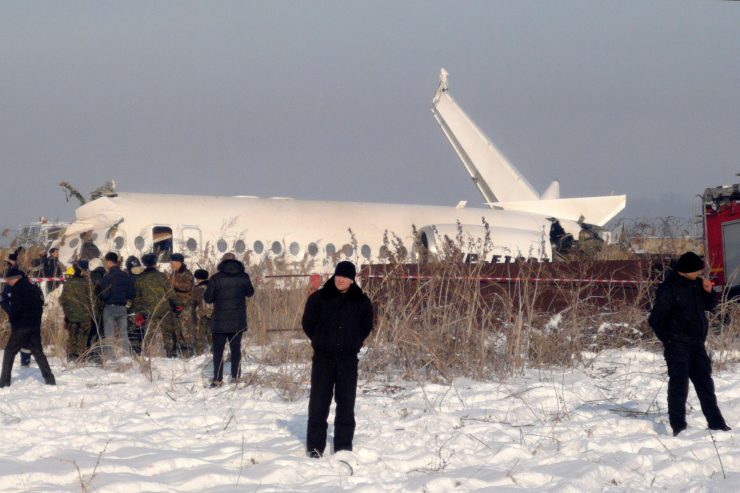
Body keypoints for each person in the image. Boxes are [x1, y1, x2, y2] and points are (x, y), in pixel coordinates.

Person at [649, 252, 731, 436]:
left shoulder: (696, 283)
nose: (700, 272)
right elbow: (655, 319)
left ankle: (717, 424)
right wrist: (669, 340)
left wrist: (709, 292)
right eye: (697, 270)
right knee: (679, 386)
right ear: (685, 271)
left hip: (697, 344)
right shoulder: (668, 288)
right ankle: (678, 426)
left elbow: (708, 306)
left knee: (705, 384)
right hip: (677, 346)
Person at [302, 261, 373, 457]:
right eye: (338, 276)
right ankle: (315, 447)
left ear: (352, 280)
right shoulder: (319, 298)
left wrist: (354, 341)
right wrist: (319, 339)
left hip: (348, 360)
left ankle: (343, 447)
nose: (341, 280)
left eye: (345, 277)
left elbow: (366, 325)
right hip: (323, 359)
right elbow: (308, 322)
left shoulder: (361, 301)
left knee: (346, 403)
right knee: (318, 403)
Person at [203, 255, 254, 387]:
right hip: (238, 321)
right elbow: (250, 293)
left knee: (218, 351)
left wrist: (208, 287)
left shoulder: (215, 278)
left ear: (222, 262)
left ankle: (217, 379)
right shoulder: (243, 277)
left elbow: (208, 299)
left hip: (219, 322)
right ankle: (236, 377)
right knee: (236, 350)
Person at [0, 267, 56, 387]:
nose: (8, 282)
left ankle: (4, 383)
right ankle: (50, 380)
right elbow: (41, 302)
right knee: (38, 353)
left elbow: (15, 310)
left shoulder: (17, 289)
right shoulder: (33, 286)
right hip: (34, 325)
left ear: (15, 278)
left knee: (9, 352)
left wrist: (7, 310)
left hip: (22, 325)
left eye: (9, 280)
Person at [131, 253, 174, 356]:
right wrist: (177, 304)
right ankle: (171, 353)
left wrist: (137, 311)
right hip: (164, 309)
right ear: (155, 263)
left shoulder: (140, 278)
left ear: (145, 264)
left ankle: (147, 354)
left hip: (148, 310)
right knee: (167, 332)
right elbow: (170, 292)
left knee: (149, 333)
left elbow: (137, 297)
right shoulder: (162, 276)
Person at [98, 252, 136, 359]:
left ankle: (110, 358)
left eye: (106, 262)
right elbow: (132, 293)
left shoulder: (107, 277)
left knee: (109, 335)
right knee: (124, 334)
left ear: (109, 262)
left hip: (110, 308)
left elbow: (104, 295)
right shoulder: (126, 275)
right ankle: (127, 356)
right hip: (123, 308)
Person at [60, 261, 96, 361]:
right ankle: (80, 358)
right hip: (85, 316)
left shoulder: (68, 283)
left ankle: (70, 358)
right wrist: (93, 315)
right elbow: (92, 301)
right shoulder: (88, 284)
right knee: (83, 337)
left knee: (72, 337)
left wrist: (67, 313)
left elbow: (63, 300)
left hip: (71, 316)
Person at [2, 250, 33, 367]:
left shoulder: (25, 281)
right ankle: (22, 360)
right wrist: (12, 312)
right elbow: (3, 300)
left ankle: (25, 361)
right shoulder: (9, 281)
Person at [167, 253, 195, 357]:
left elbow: (187, 287)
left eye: (172, 262)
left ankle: (188, 352)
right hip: (174, 305)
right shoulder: (173, 273)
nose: (171, 264)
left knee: (185, 330)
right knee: (177, 330)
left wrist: (173, 283)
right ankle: (179, 350)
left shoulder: (187, 274)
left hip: (185, 306)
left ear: (178, 263)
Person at [191, 268, 212, 354]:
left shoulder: (197, 289)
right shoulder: (214, 286)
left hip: (202, 315)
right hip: (215, 314)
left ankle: (199, 353)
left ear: (197, 278)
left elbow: (192, 304)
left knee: (200, 335)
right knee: (212, 334)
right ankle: (215, 353)